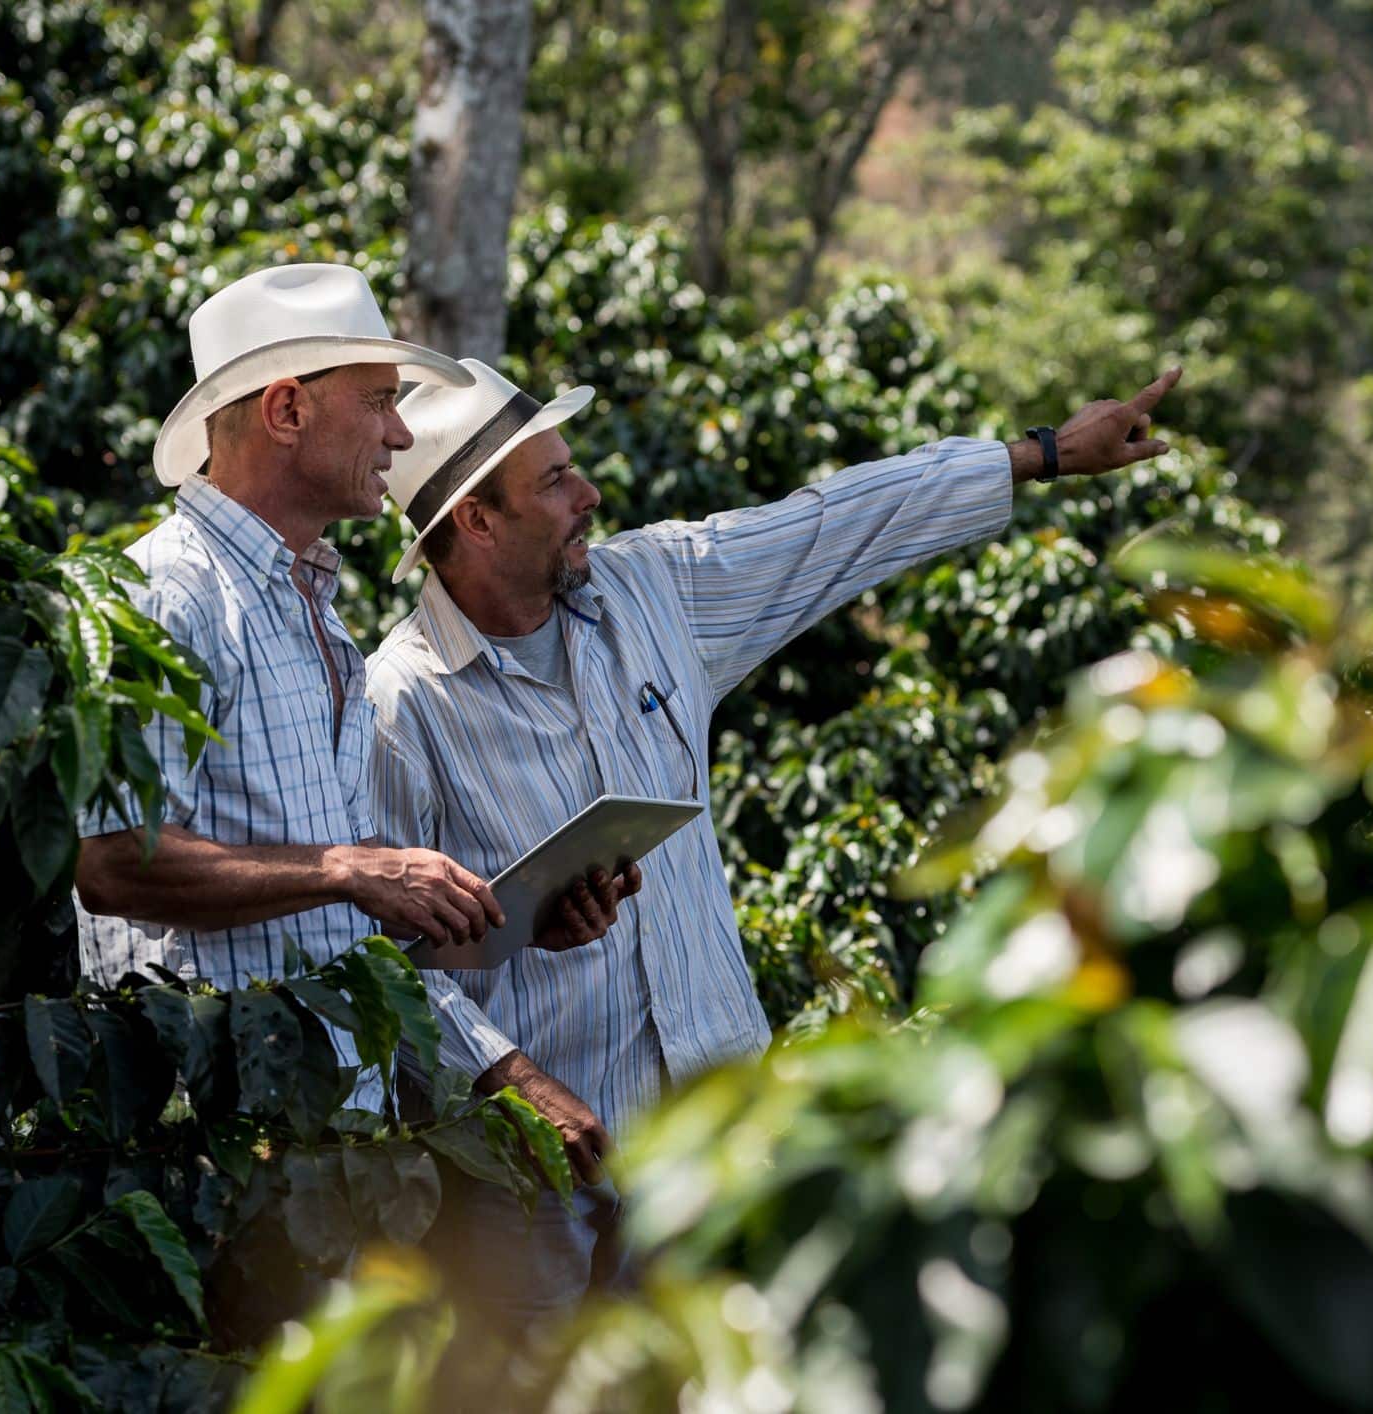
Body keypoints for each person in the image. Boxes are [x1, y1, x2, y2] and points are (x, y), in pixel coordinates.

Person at [366, 355, 1183, 1318]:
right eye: (553, 480)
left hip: (714, 1142)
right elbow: (374, 964)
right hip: (528, 1178)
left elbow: (832, 524)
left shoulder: (654, 595)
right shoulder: (402, 705)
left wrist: (1039, 455)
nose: (588, 494)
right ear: (475, 519)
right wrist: (511, 1076)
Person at [71, 265, 631, 1111]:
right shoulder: (165, 595)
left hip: (324, 1135)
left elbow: (335, 907)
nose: (401, 435)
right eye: (377, 402)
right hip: (210, 1135)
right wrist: (345, 868)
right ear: (287, 410)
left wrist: (499, 924)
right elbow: (111, 864)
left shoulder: (317, 615)